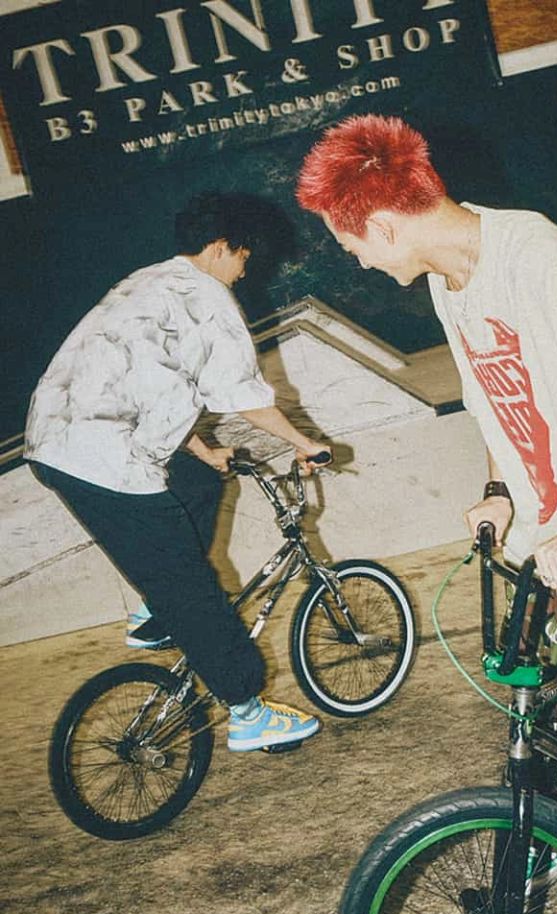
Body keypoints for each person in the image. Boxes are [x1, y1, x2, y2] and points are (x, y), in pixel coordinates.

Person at [296, 114, 557, 904]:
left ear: (384, 226)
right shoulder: (448, 282)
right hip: (547, 553)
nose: (353, 257)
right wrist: (499, 493)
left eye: (348, 243)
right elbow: (495, 401)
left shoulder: (533, 253)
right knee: (544, 719)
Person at [25, 191, 331, 753]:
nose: (243, 271)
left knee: (199, 482)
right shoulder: (209, 300)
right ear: (220, 248)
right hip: (105, 459)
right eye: (243, 258)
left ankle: (154, 614)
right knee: (193, 589)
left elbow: (151, 382)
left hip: (53, 441)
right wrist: (305, 442)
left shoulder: (144, 283)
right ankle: (247, 711)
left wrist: (201, 449)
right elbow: (244, 397)